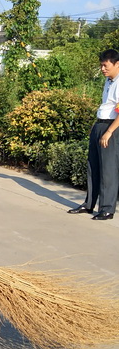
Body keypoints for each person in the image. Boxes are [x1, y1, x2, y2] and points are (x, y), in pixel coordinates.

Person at [68, 48, 119, 221]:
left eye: (105, 65)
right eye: (101, 66)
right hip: (100, 124)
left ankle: (107, 208)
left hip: (111, 127)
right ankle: (89, 204)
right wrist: (96, 127)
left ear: (117, 64)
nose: (103, 69)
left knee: (108, 169)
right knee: (93, 166)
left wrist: (109, 132)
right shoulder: (108, 81)